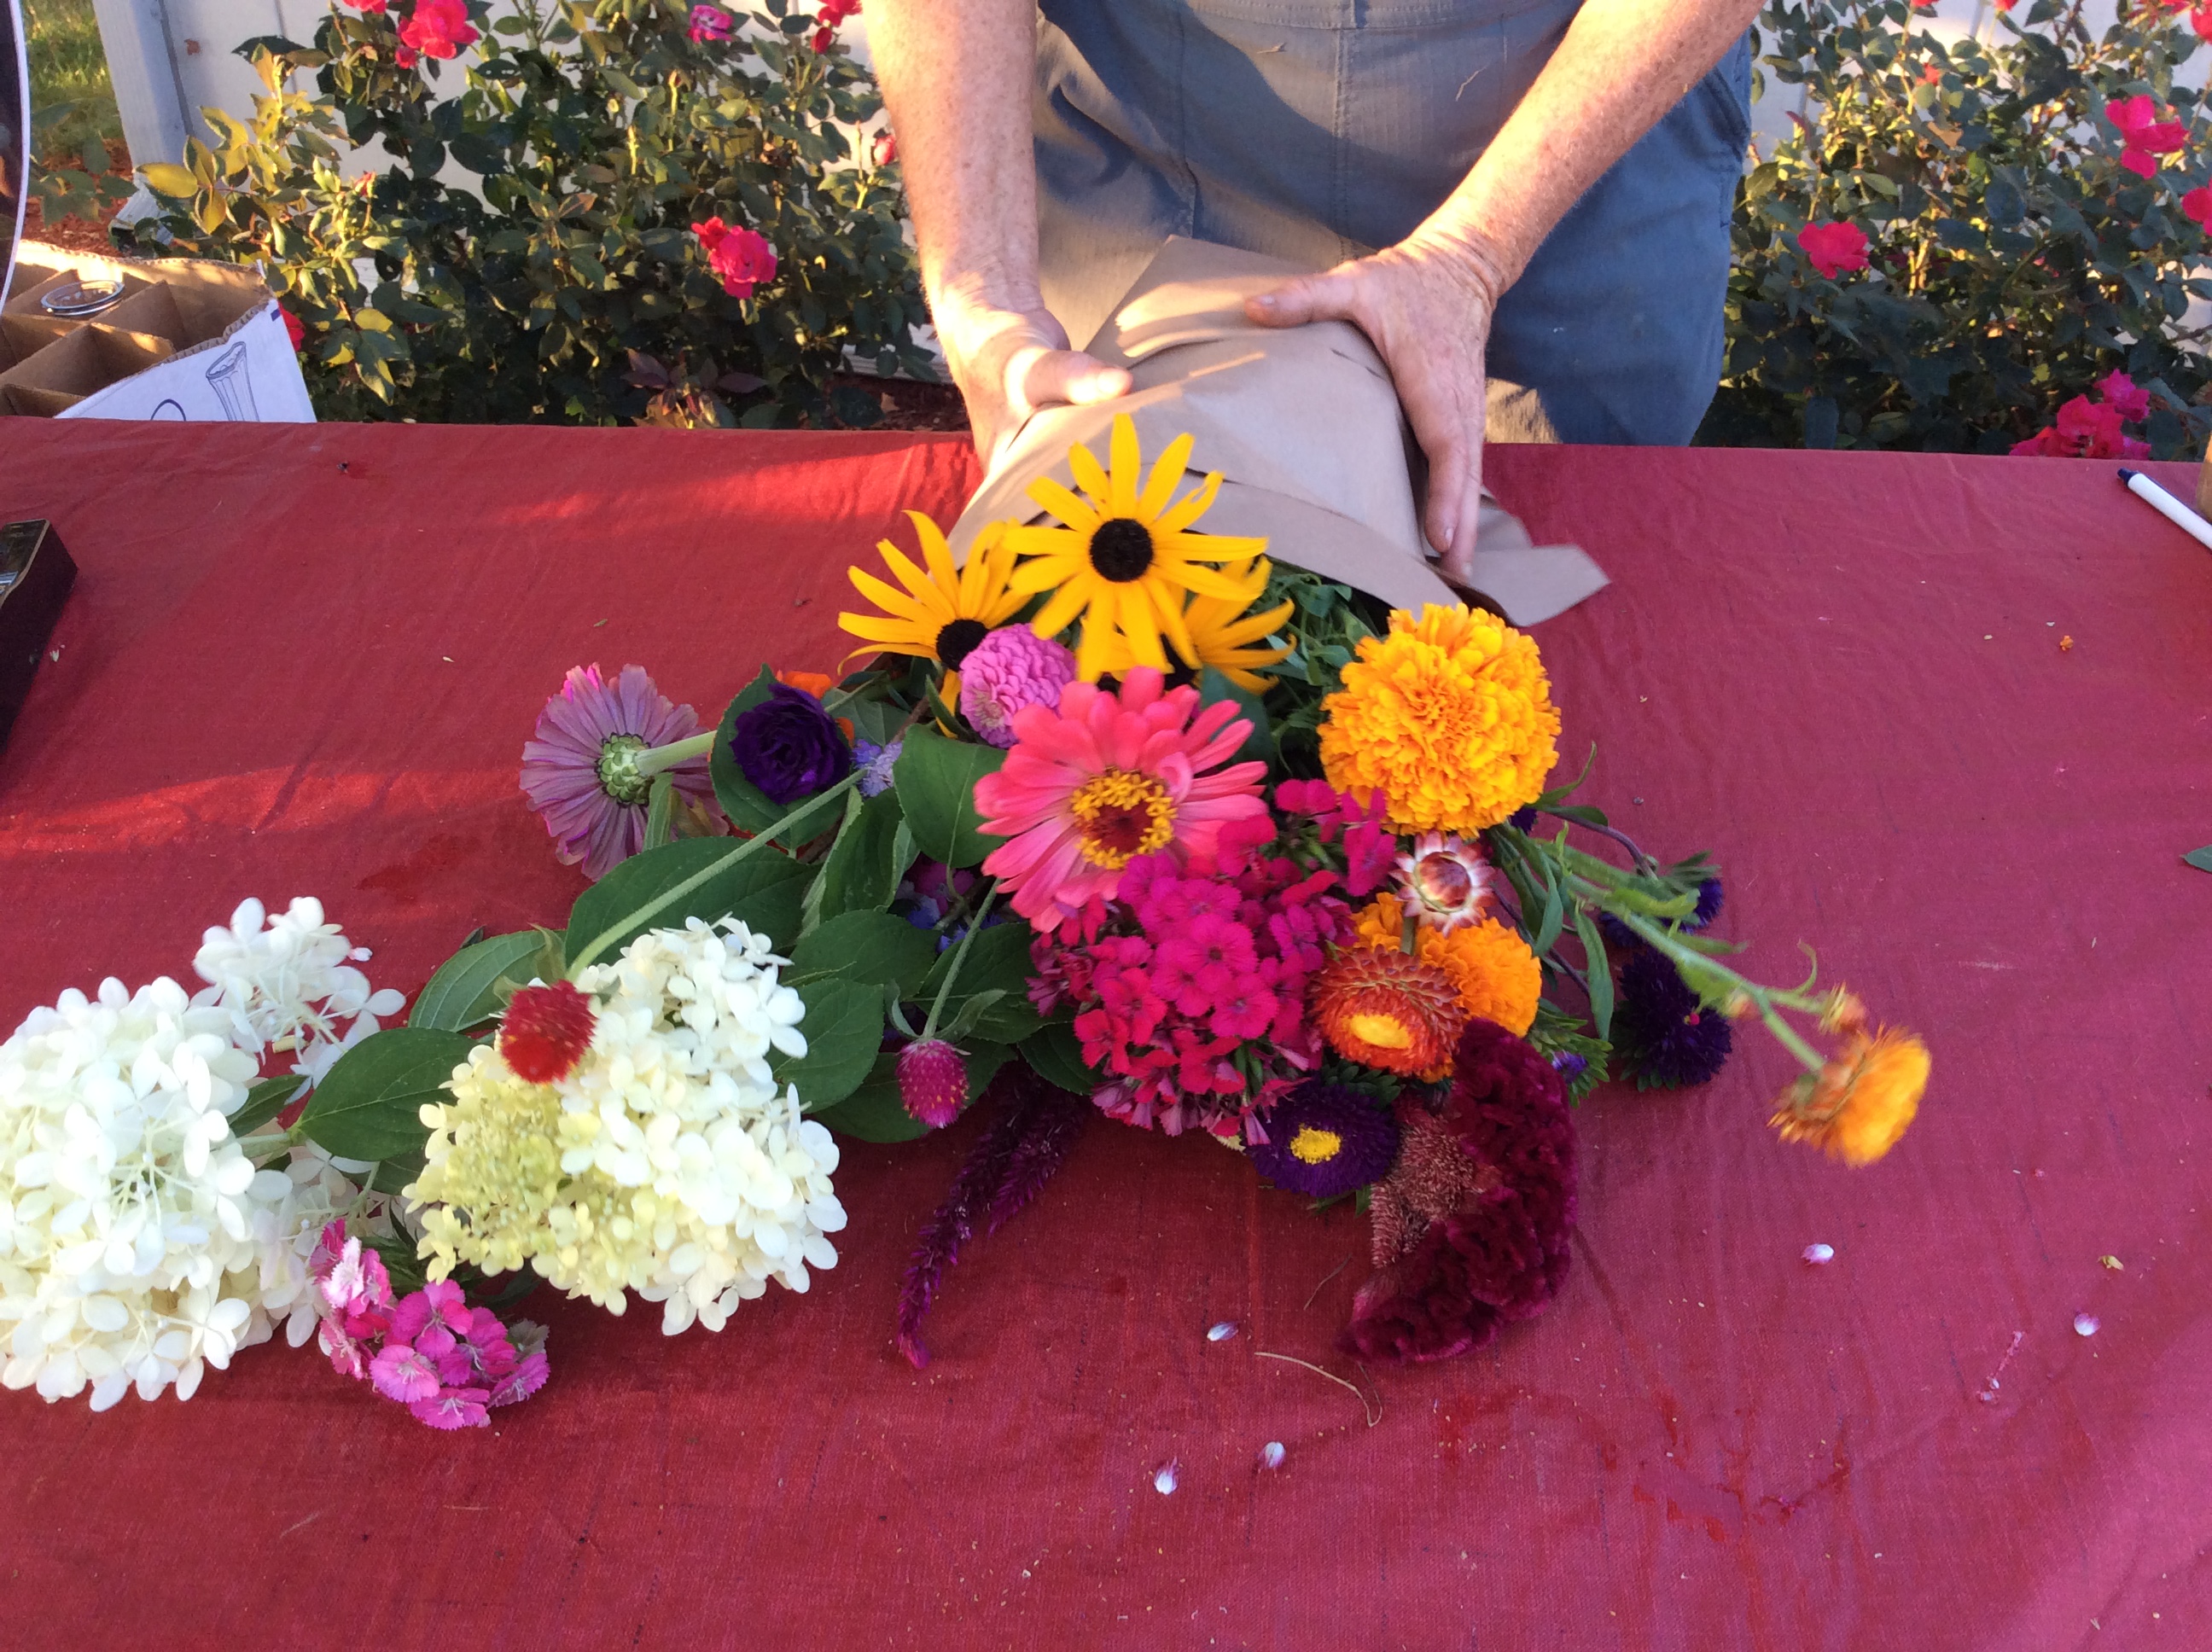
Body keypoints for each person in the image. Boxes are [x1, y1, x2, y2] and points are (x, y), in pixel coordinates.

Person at [869, 0, 1760, 583]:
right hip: (1144, 136)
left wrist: (1472, 256)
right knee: (1114, 602)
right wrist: (981, 289)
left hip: (1564, 161)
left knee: (1532, 659)